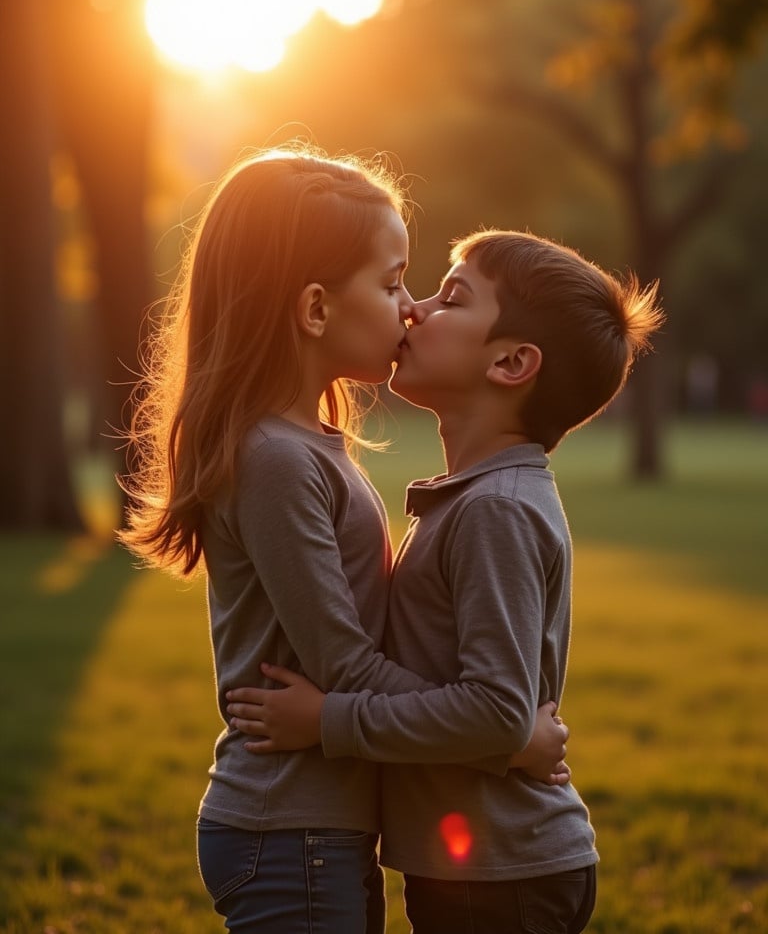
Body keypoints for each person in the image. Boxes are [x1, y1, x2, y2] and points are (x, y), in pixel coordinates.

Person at [117, 150, 569, 934]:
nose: (409, 309)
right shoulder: (275, 459)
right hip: (289, 825)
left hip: (316, 825)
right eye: (393, 283)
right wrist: (504, 737)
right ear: (317, 309)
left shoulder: (303, 445)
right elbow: (345, 667)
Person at [226, 229, 665, 934]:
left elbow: (495, 711)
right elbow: (501, 719)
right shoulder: (473, 498)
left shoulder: (495, 510)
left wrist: (328, 720)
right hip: (480, 865)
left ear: (513, 362)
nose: (415, 309)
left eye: (451, 297)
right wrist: (510, 735)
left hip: (506, 872)